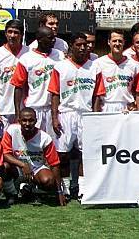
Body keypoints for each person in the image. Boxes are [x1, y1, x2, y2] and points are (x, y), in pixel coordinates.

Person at [48, 32, 100, 199]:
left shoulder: (95, 67)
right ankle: (64, 187)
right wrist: (55, 117)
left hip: (86, 114)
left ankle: (81, 188)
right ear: (71, 47)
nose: (83, 48)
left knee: (85, 152)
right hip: (66, 113)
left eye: (85, 45)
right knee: (63, 153)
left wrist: (95, 117)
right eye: (78, 45)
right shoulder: (60, 67)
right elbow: (55, 94)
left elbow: (97, 95)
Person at [2, 107, 66, 206]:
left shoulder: (45, 138)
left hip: (36, 169)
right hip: (17, 167)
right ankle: (12, 194)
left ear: (36, 121)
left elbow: (54, 164)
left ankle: (32, 189)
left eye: (31, 120)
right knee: (4, 166)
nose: (27, 124)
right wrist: (22, 165)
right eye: (24, 120)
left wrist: (59, 191)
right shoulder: (11, 130)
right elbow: (5, 154)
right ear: (19, 120)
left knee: (48, 180)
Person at [10, 26, 65, 132]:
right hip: (34, 107)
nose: (53, 40)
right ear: (39, 39)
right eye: (50, 38)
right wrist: (18, 114)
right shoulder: (26, 59)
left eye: (54, 37)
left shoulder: (60, 56)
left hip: (55, 108)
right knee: (33, 143)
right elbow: (18, 87)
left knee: (53, 144)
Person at [0, 19, 29, 136]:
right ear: (5, 33)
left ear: (21, 35)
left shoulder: (29, 53)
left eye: (16, 32)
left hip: (25, 109)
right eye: (9, 32)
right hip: (3, 108)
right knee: (2, 143)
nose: (12, 36)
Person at [95, 29, 139, 112]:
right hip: (106, 106)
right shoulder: (98, 63)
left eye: (120, 41)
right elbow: (96, 92)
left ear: (124, 42)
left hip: (127, 107)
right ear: (109, 42)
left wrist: (137, 108)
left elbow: (138, 91)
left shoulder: (135, 65)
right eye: (114, 41)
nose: (117, 44)